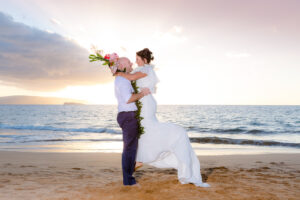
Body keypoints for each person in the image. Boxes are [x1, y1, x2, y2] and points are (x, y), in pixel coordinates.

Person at [115, 48, 210, 187]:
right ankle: (139, 159)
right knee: (143, 131)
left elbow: (131, 78)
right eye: (134, 59)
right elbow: (128, 76)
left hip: (145, 103)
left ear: (145, 60)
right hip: (139, 103)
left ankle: (140, 159)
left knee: (148, 128)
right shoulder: (137, 69)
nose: (135, 61)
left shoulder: (146, 69)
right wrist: (115, 67)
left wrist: (117, 72)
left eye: (138, 59)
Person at [114, 57, 150, 186]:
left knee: (130, 147)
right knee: (129, 149)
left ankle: (132, 168)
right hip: (128, 116)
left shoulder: (122, 78)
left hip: (127, 115)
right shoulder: (122, 80)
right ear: (123, 65)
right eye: (129, 62)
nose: (131, 63)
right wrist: (142, 93)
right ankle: (128, 181)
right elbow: (128, 99)